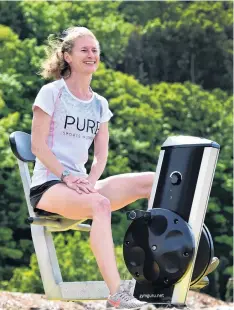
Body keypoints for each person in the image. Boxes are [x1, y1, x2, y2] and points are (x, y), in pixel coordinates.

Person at [30, 26, 154, 309]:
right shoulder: (51, 93)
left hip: (81, 185)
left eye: (95, 50)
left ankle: (169, 268)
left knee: (154, 180)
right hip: (49, 186)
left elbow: (100, 155)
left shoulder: (99, 104)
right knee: (100, 205)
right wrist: (67, 177)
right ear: (67, 56)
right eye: (84, 50)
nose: (91, 55)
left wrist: (88, 178)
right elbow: (38, 147)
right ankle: (117, 295)